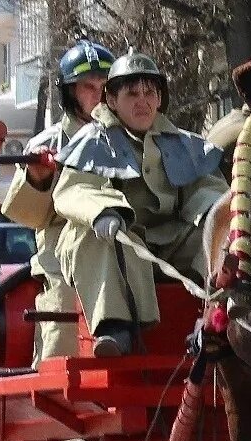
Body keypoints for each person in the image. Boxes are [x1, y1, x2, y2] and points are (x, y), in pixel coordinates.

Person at [52, 52, 226, 357]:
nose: (142, 101)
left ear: (160, 99)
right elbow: (76, 190)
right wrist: (104, 212)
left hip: (172, 241)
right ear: (112, 101)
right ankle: (114, 329)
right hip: (119, 235)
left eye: (150, 92)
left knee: (215, 239)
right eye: (131, 93)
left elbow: (209, 190)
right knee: (98, 239)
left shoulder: (184, 143)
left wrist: (213, 215)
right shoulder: (92, 141)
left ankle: (222, 317)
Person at [2, 39, 112, 361]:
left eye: (106, 86)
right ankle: (53, 391)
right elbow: (30, 218)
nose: (99, 95)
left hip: (120, 237)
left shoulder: (128, 136)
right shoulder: (46, 143)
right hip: (61, 248)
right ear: (69, 92)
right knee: (64, 304)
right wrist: (38, 177)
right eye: (88, 87)